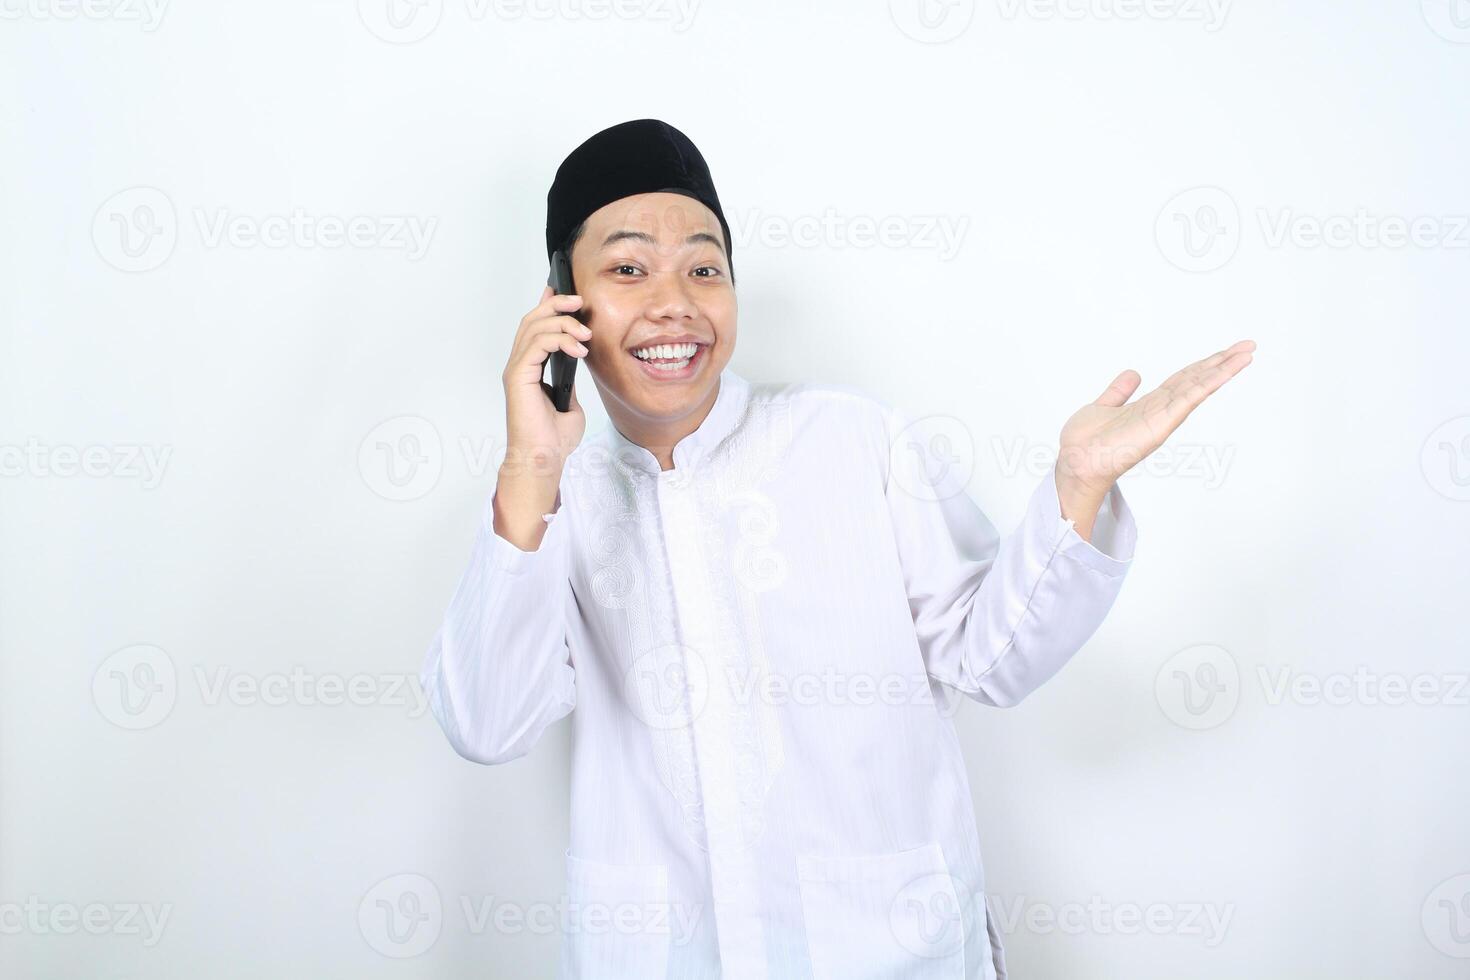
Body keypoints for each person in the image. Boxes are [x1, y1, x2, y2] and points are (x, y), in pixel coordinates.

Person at [420, 118, 1255, 980]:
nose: (675, 302)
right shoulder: (560, 504)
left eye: (705, 268)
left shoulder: (855, 440)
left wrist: (1076, 486)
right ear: (563, 303)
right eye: (627, 269)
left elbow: (993, 657)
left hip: (889, 951)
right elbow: (487, 722)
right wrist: (531, 467)